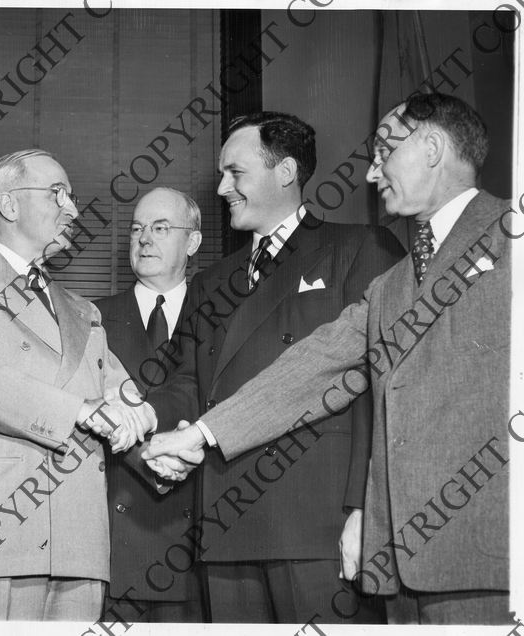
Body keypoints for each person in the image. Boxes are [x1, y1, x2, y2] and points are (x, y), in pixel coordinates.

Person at [144, 94, 513, 625]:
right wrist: (201, 434)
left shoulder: (511, 237)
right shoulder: (392, 285)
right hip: (404, 561)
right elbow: (313, 368)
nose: (371, 173)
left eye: (385, 152)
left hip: (490, 551)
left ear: (432, 148)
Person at [143, 112, 404, 623]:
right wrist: (144, 418)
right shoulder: (210, 281)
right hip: (224, 522)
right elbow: (188, 383)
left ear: (285, 172)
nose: (222, 188)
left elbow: (380, 391)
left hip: (318, 524)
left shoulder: (361, 248)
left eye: (235, 173)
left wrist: (365, 508)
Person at [0, 149, 155, 621]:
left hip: (78, 543)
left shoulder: (82, 309)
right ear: (9, 204)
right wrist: (82, 410)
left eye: (71, 196)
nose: (73, 209)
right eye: (57, 194)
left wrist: (145, 417)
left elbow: (120, 389)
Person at [94, 187, 205, 623]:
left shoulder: (224, 315)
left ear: (193, 242)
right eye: (137, 228)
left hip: (200, 546)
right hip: (116, 542)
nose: (143, 239)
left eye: (160, 228)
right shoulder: (90, 317)